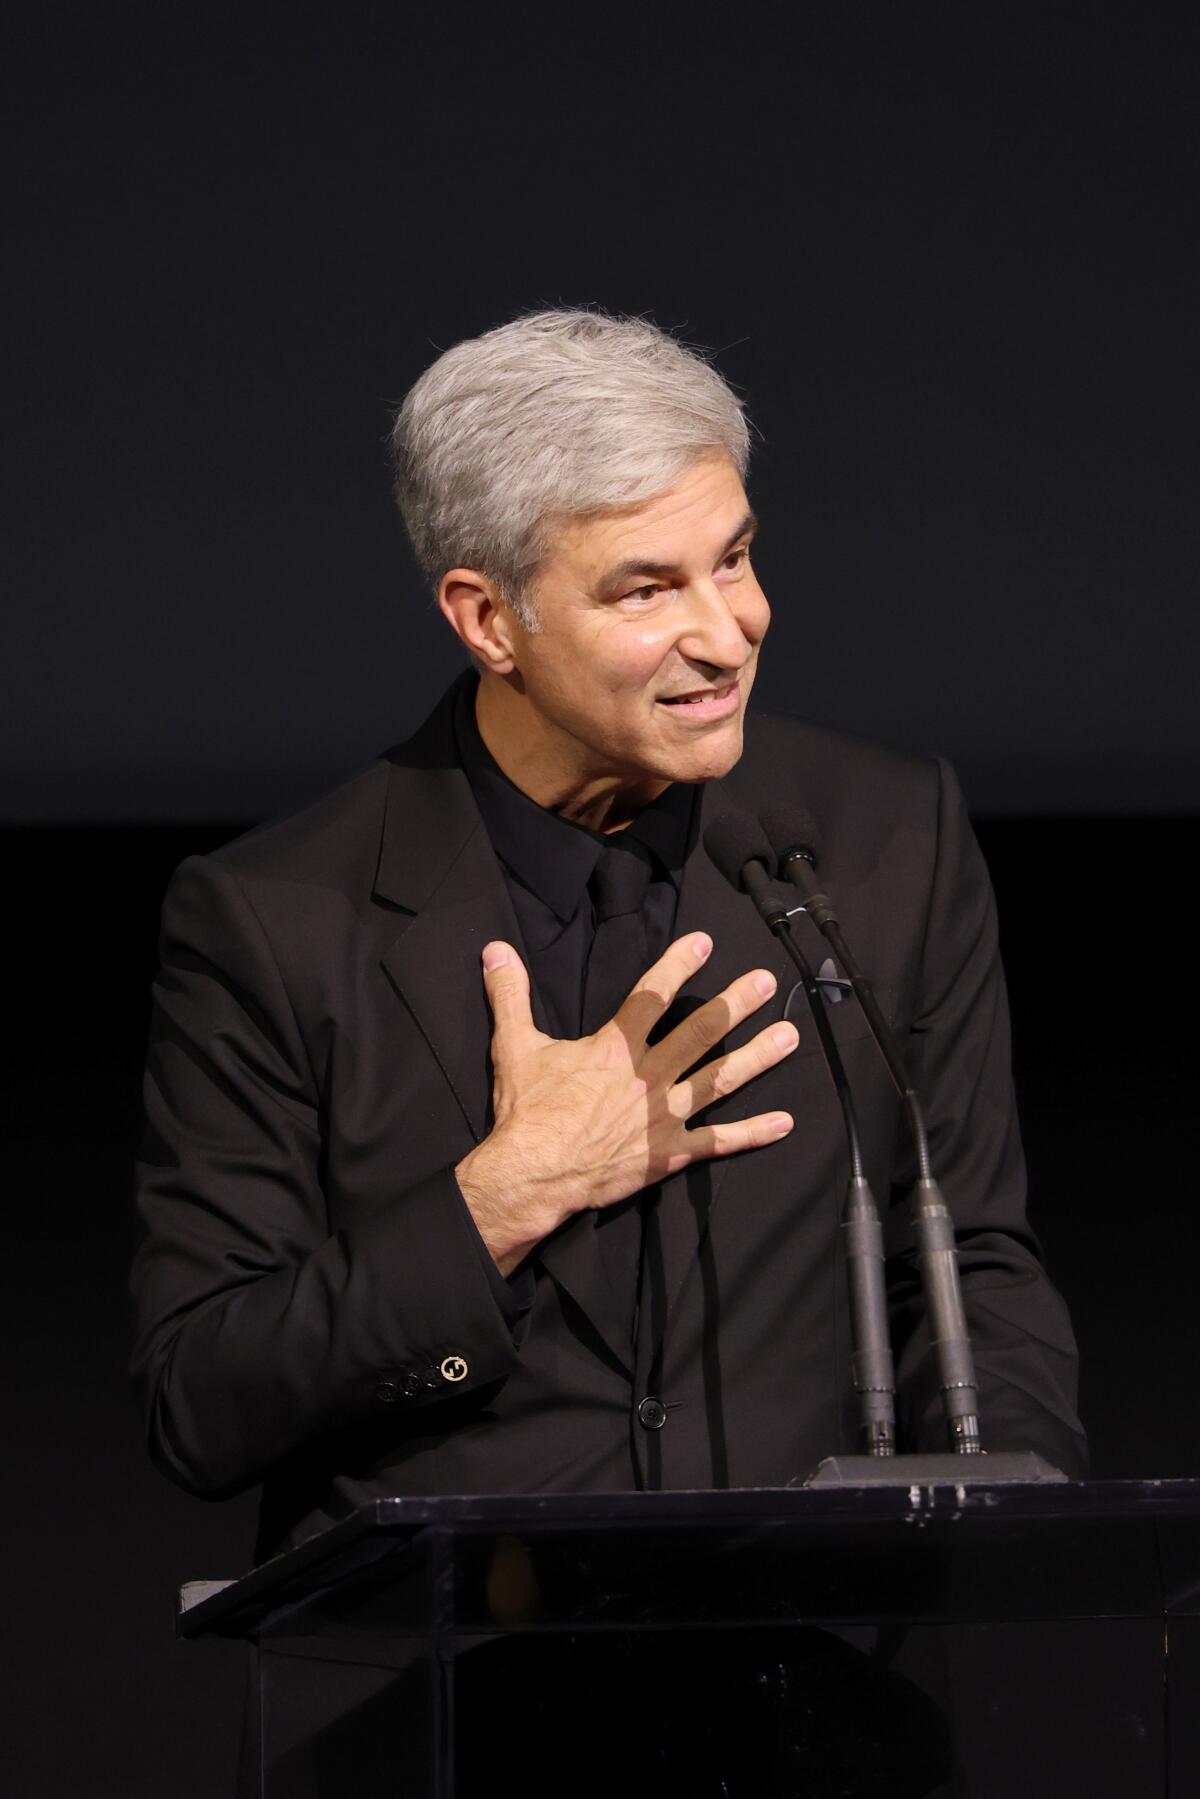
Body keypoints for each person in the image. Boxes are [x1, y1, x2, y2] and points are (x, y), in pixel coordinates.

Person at [131, 309, 1086, 1566]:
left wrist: (1024, 1538)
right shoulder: (278, 920)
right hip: (450, 1698)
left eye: (734, 560)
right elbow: (200, 1396)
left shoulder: (887, 839)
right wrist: (499, 1199)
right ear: (487, 620)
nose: (727, 630)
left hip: (831, 1695)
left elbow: (976, 1265)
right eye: (648, 588)